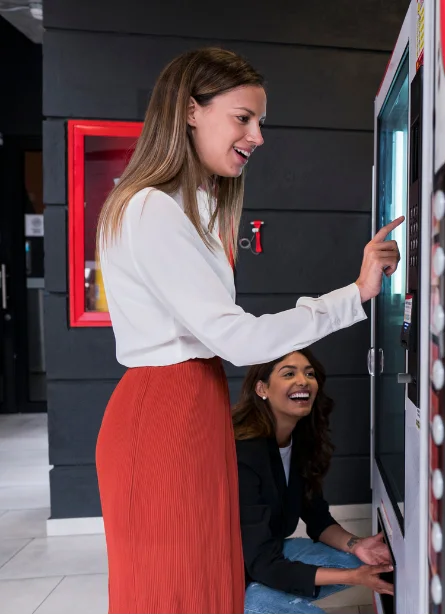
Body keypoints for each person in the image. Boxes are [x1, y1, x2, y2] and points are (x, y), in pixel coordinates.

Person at [94, 47, 403, 615]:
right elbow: (235, 339)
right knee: (175, 592)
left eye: (260, 121)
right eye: (243, 117)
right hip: (165, 413)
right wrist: (355, 295)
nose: (258, 136)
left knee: (203, 586)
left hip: (187, 407)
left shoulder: (181, 208)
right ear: (191, 111)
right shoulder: (152, 209)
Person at [233, 347, 394, 614]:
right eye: (289, 373)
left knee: (374, 559)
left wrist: (358, 545)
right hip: (233, 574)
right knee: (268, 605)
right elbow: (261, 564)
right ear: (262, 388)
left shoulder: (299, 442)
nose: (303, 381)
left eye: (309, 373)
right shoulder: (244, 453)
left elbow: (316, 517)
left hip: (269, 557)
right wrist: (352, 579)